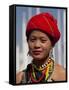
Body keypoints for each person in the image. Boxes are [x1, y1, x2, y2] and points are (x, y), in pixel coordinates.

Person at [16, 12, 66, 84]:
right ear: (27, 41)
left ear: (52, 44)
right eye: (32, 40)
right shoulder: (19, 78)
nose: (36, 45)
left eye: (43, 40)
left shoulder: (63, 75)